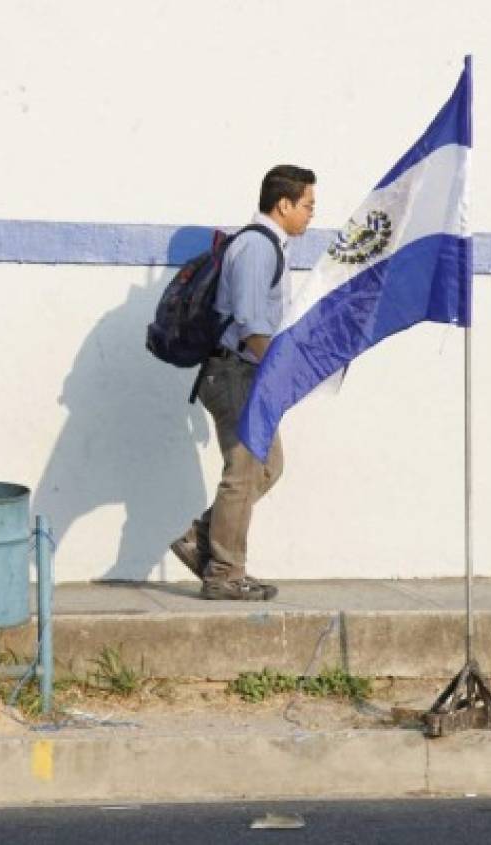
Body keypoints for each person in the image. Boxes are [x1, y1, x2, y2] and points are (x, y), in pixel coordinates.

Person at [170, 165, 316, 601]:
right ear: (283, 204)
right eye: (307, 205)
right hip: (235, 371)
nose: (311, 214)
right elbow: (252, 323)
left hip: (239, 371)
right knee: (244, 470)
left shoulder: (267, 245)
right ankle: (225, 574)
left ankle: (202, 538)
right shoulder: (257, 247)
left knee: (267, 466)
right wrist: (280, 372)